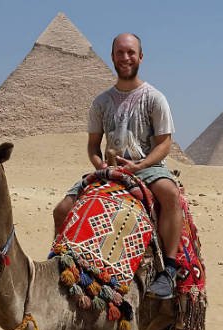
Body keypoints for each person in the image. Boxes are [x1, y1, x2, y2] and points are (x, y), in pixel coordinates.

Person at [53, 33, 182, 299]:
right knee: (62, 209)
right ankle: (61, 264)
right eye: (120, 53)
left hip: (147, 167)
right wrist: (102, 165)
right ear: (112, 57)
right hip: (109, 168)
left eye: (131, 53)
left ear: (141, 57)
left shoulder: (154, 98)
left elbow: (165, 144)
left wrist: (140, 165)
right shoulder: (100, 103)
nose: (125, 58)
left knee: (170, 195)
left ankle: (168, 270)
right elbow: (92, 147)